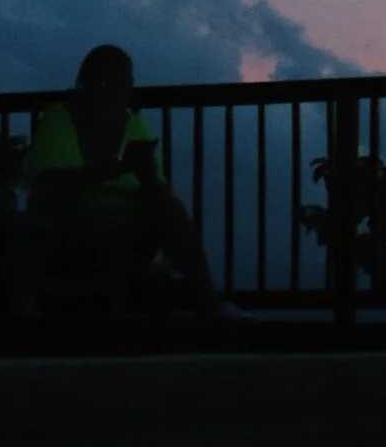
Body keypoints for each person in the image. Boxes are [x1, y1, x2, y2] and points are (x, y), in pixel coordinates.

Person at [21, 44, 233, 318]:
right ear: (85, 85)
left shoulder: (134, 126)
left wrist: (147, 177)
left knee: (170, 207)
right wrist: (103, 172)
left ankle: (209, 301)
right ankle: (202, 300)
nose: (112, 91)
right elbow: (46, 184)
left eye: (122, 83)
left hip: (126, 236)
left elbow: (158, 192)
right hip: (72, 235)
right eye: (106, 82)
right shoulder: (60, 120)